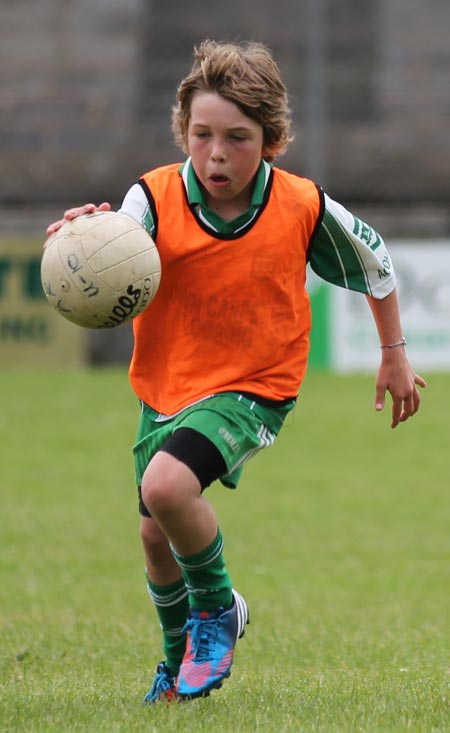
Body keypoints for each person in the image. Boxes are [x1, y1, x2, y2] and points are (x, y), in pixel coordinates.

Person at [46, 39, 426, 703]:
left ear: (271, 140)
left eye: (238, 138)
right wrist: (82, 238)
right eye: (201, 135)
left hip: (255, 383)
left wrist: (394, 353)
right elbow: (113, 240)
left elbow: (376, 261)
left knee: (167, 489)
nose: (216, 153)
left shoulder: (301, 205)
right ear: (183, 131)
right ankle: (174, 669)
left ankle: (217, 609)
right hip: (168, 387)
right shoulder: (154, 197)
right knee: (154, 537)